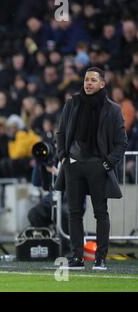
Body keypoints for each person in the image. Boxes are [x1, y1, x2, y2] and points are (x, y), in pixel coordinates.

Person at [55, 67, 128, 270]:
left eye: (93, 80)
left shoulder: (113, 109)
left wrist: (107, 163)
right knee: (74, 213)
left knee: (100, 213)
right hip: (74, 165)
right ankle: (77, 258)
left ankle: (100, 258)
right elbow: (60, 133)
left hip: (98, 165)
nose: (88, 83)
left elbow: (121, 143)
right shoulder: (72, 103)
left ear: (102, 84)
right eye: (86, 79)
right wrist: (63, 157)